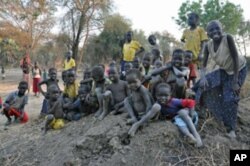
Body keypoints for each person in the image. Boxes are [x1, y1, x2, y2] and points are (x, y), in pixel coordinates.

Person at [195, 20, 247, 139]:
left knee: (230, 98)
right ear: (208, 34)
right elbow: (203, 64)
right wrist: (202, 77)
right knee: (202, 84)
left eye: (217, 28)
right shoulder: (208, 45)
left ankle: (231, 129)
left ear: (222, 29)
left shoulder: (227, 38)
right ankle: (200, 108)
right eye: (211, 30)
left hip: (238, 70)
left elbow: (234, 57)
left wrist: (235, 81)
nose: (215, 31)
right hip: (224, 71)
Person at [129, 83, 202, 147]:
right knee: (179, 122)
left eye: (166, 95)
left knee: (181, 112)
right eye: (160, 95)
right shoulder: (157, 105)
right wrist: (139, 122)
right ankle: (190, 136)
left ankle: (196, 136)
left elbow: (191, 102)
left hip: (189, 118)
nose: (163, 98)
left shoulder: (174, 101)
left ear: (170, 95)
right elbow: (150, 114)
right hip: (178, 120)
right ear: (156, 95)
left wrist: (191, 113)